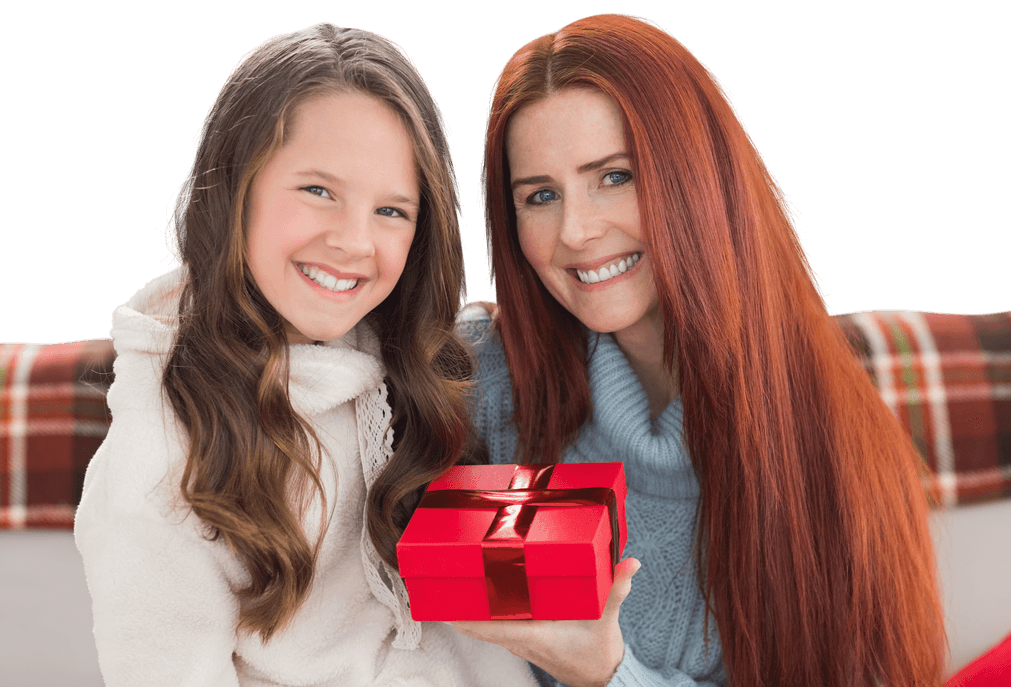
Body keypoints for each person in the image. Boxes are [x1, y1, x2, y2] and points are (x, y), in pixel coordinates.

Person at [451, 13, 946, 687]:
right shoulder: (491, 378)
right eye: (540, 195)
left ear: (698, 179)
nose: (575, 229)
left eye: (614, 176)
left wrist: (610, 673)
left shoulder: (835, 457)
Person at [73, 23, 539, 687]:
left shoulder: (414, 361)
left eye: (392, 210)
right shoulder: (158, 470)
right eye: (319, 190)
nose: (353, 240)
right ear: (237, 188)